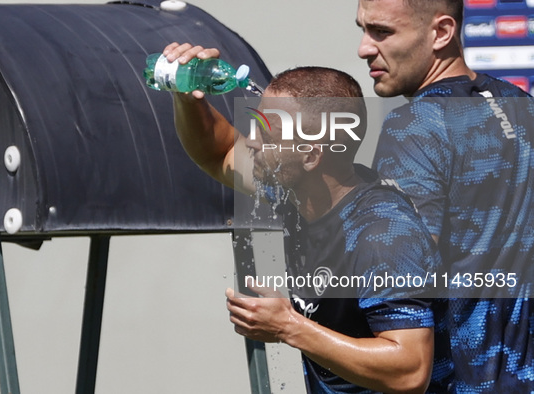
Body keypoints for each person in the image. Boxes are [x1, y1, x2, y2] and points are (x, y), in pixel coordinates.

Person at [160, 42, 453, 393]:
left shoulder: (382, 234)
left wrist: (288, 326)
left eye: (265, 134)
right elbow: (219, 152)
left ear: (311, 156)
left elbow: (409, 370)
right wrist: (187, 97)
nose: (251, 142)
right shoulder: (292, 192)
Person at [357, 0, 534, 391]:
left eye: (382, 32)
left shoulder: (415, 124)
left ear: (441, 32)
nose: (364, 48)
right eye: (363, 30)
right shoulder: (521, 104)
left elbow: (403, 277)